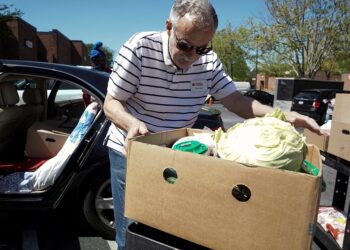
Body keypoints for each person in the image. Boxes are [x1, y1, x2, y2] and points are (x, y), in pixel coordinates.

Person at [103, 0, 321, 248]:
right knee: (132, 230)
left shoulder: (208, 62)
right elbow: (111, 103)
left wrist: (284, 116)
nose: (192, 56)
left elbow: (236, 101)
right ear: (168, 27)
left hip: (176, 151)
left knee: (168, 228)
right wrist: (132, 124)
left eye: (201, 48)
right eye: (185, 45)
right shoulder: (140, 48)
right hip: (131, 150)